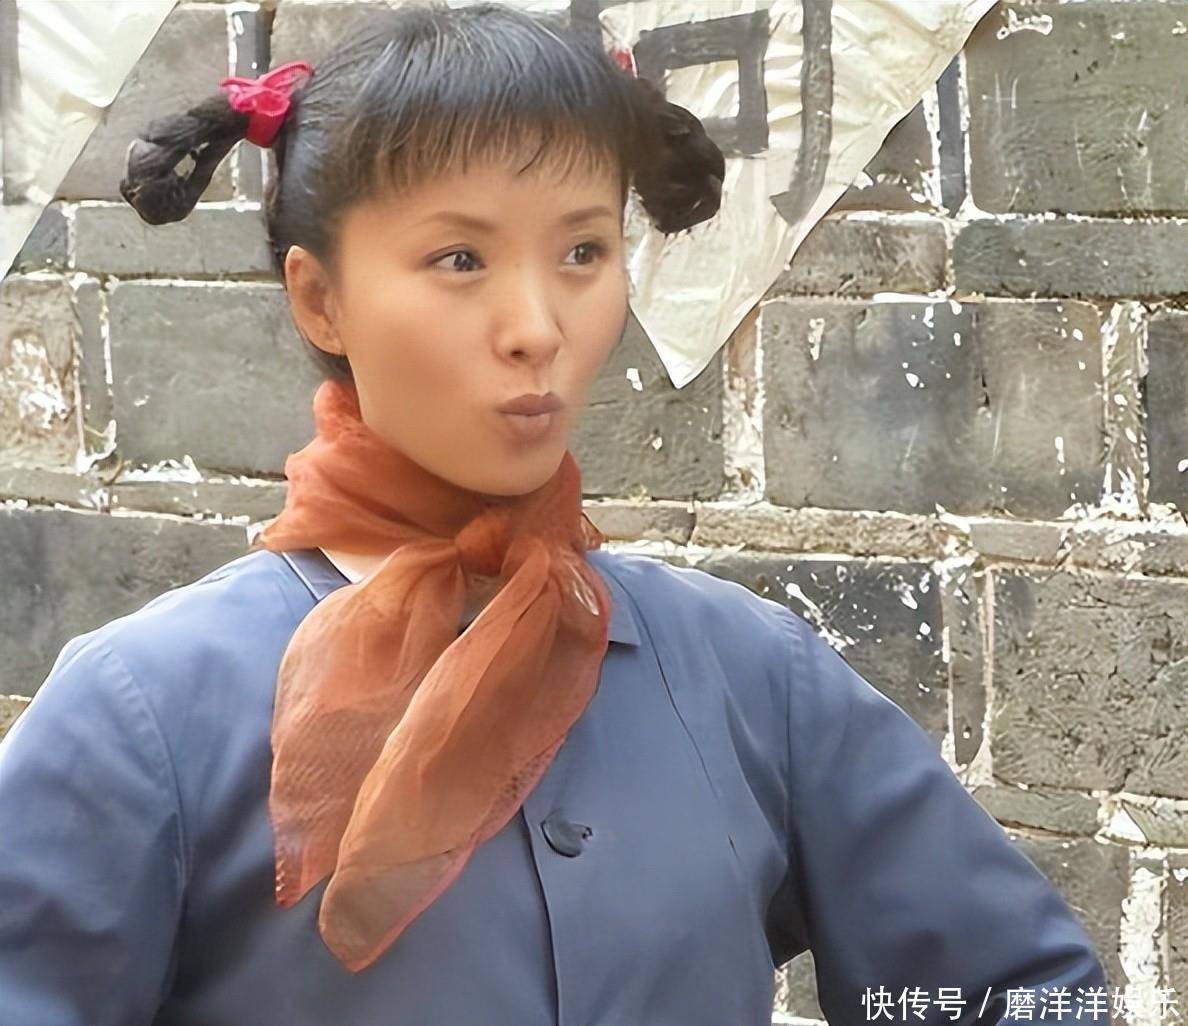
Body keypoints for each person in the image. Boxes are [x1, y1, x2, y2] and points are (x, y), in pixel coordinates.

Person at [0, 3, 1108, 1024]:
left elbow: (1022, 995)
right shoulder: (144, 716)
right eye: (460, 259)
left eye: (583, 251)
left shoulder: (747, 674)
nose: (536, 325)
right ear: (321, 298)